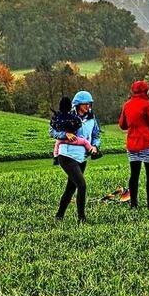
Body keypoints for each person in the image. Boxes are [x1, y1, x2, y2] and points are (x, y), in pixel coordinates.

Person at [49, 91, 101, 222]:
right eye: (86, 104)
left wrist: (94, 146)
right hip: (66, 154)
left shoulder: (91, 119)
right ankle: (81, 219)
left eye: (90, 103)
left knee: (71, 188)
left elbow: (96, 135)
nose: (89, 106)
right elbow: (52, 131)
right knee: (82, 185)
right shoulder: (66, 116)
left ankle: (59, 216)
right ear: (78, 104)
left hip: (82, 157)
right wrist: (64, 134)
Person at [119, 80, 149, 209]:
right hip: (147, 143)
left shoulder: (126, 105)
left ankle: (134, 204)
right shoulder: (147, 105)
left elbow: (122, 125)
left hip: (132, 144)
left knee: (134, 175)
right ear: (145, 91)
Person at [50, 96, 92, 165]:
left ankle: (56, 158)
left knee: (57, 145)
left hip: (61, 140)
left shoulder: (56, 117)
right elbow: (78, 124)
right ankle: (91, 151)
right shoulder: (73, 118)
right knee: (85, 142)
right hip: (73, 139)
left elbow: (52, 129)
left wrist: (63, 133)